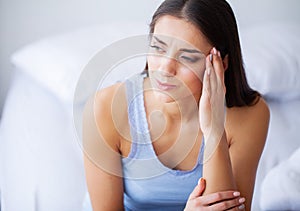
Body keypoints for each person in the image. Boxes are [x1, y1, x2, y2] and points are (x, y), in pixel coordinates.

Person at [82, 0, 270, 210]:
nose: (165, 69)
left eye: (187, 57)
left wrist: (215, 130)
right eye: (158, 48)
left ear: (221, 63)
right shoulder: (105, 108)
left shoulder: (250, 114)